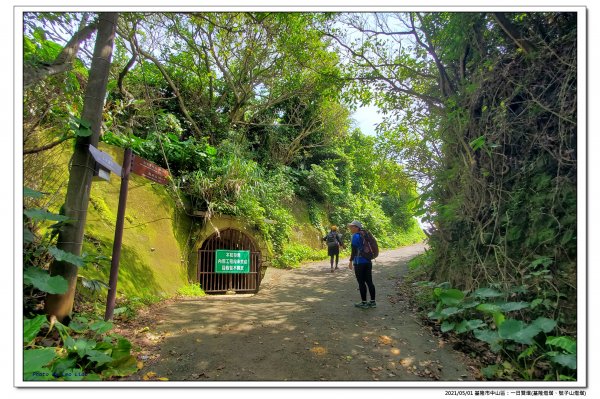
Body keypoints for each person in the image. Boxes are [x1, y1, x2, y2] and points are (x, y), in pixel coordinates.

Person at [347, 220, 376, 309]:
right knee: (369, 281)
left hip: (359, 262)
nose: (350, 228)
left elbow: (354, 251)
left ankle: (364, 303)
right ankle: (372, 302)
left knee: (361, 282)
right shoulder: (365, 234)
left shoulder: (355, 236)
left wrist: (350, 261)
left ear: (356, 227)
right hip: (368, 261)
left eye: (351, 227)